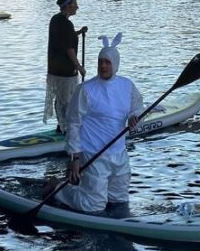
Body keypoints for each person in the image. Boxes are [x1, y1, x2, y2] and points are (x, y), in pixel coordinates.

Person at [48, 33, 145, 213]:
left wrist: (135, 116)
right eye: (100, 61)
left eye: (107, 62)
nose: (102, 66)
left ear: (115, 64)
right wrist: (75, 157)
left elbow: (137, 106)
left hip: (119, 153)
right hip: (93, 154)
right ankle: (58, 189)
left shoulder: (127, 85)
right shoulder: (86, 90)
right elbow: (73, 123)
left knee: (119, 199)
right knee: (92, 206)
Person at [43, 0, 87, 134]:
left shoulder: (56, 19)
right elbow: (69, 48)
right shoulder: (66, 23)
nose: (77, 7)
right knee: (67, 100)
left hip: (55, 67)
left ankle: (61, 124)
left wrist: (79, 32)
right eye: (75, 4)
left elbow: (65, 37)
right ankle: (66, 129)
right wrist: (79, 66)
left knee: (61, 98)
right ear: (68, 6)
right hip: (65, 69)